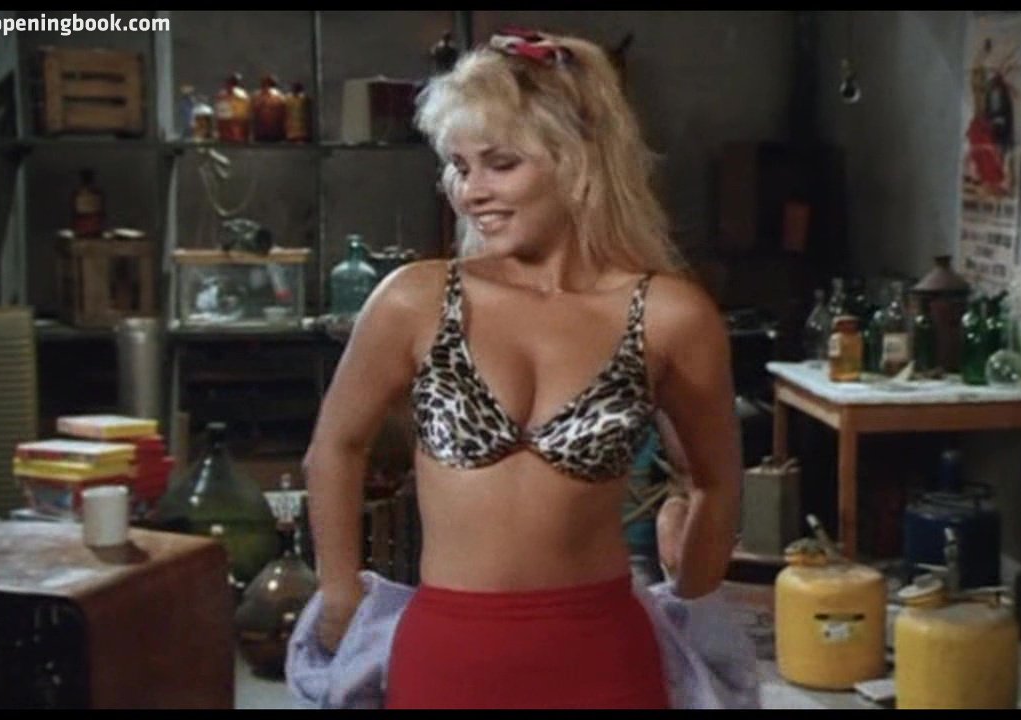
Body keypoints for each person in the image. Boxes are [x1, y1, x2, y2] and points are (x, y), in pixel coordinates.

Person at [299, 28, 744, 709]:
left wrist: (692, 607)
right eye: (458, 166)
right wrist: (338, 593)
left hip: (604, 656)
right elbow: (335, 447)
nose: (470, 191)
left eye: (500, 164)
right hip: (447, 655)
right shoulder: (415, 299)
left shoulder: (671, 316)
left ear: (579, 162)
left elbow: (715, 480)